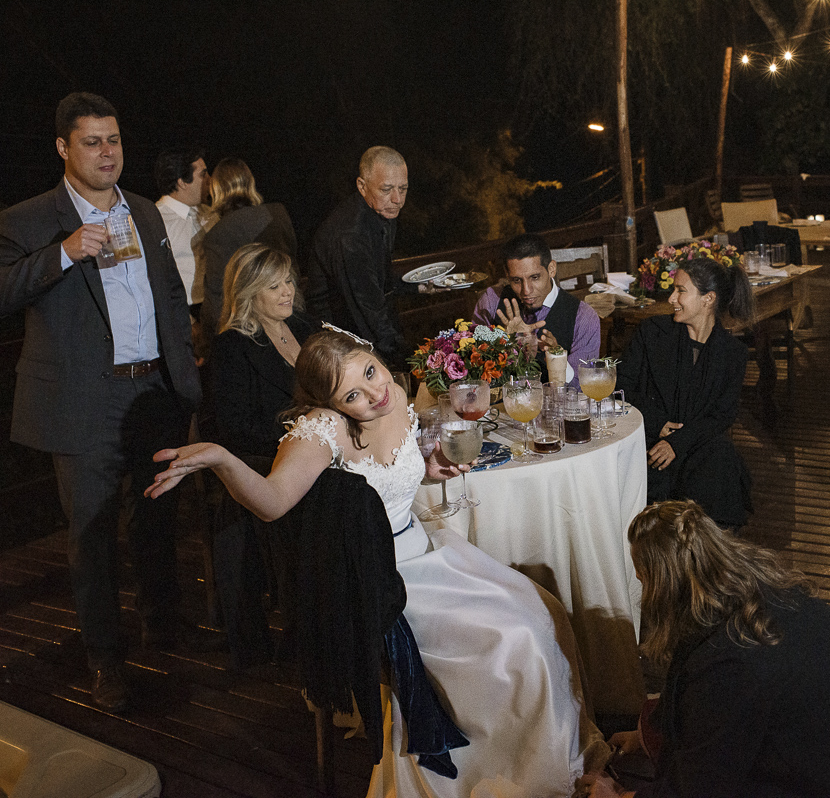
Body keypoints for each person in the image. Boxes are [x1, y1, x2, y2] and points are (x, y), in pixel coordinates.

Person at [147, 328, 606, 796]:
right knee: (517, 640)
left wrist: (428, 466)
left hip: (429, 552)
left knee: (541, 607)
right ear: (331, 403)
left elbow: (398, 473)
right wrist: (221, 459)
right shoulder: (321, 430)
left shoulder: (397, 393)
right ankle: (511, 774)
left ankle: (543, 756)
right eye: (353, 394)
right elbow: (272, 502)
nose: (375, 392)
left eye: (370, 371)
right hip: (379, 579)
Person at [0, 93, 202, 712]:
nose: (107, 152)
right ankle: (104, 661)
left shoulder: (143, 211)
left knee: (156, 516)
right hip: (84, 399)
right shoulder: (30, 218)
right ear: (64, 148)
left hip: (153, 389)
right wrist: (64, 252)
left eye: (113, 140)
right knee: (90, 535)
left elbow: (167, 293)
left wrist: (184, 377)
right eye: (92, 141)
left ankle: (158, 623)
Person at [583, 500, 830, 798]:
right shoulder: (774, 598)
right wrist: (648, 734)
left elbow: (703, 786)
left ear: (665, 588)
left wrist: (620, 796)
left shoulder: (728, 661)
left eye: (643, 577)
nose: (639, 585)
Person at [207, 243, 318, 666]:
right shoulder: (232, 347)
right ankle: (298, 634)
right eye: (274, 286)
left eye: (288, 280)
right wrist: (299, 436)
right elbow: (234, 427)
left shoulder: (306, 329)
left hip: (320, 451)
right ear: (251, 293)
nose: (287, 291)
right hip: (268, 461)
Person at [616, 254, 753, 529]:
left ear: (708, 299)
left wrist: (677, 444)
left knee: (719, 461)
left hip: (698, 449)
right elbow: (620, 388)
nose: (671, 299)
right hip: (648, 442)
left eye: (680, 291)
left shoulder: (733, 354)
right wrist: (657, 425)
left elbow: (722, 415)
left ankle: (707, 555)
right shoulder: (651, 332)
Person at [306, 146, 417, 367]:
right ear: (361, 186)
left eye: (403, 188)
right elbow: (367, 307)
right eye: (386, 189)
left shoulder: (382, 209)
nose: (397, 199)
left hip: (365, 326)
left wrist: (419, 286)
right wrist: (410, 361)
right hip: (339, 343)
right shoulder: (351, 234)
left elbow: (379, 279)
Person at [471, 233, 601, 387]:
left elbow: (584, 388)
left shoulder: (584, 317)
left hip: (556, 408)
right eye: (517, 280)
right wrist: (504, 345)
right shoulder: (491, 301)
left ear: (551, 269)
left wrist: (557, 361)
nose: (526, 291)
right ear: (507, 275)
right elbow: (473, 374)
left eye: (535, 277)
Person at [199, 157, 298, 357]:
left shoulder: (219, 234)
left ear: (216, 189)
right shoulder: (279, 214)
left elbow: (217, 298)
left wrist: (211, 345)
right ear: (250, 182)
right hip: (293, 314)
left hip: (254, 334)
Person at [154, 148, 209, 319]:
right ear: (182, 182)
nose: (210, 180)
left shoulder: (210, 214)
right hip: (182, 314)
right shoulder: (157, 220)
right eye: (203, 175)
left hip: (213, 309)